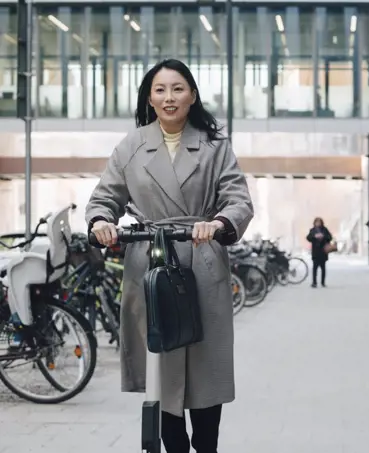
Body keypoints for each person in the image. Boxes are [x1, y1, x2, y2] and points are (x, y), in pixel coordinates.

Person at [85, 58, 254, 453]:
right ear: (149, 96)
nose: (169, 97)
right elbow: (104, 197)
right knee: (162, 371)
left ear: (192, 95)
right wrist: (100, 223)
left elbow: (237, 199)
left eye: (178, 88)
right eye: (160, 90)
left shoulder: (215, 146)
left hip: (202, 261)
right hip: (151, 265)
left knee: (205, 369)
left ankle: (206, 445)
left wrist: (218, 223)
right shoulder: (131, 146)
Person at [306, 217, 332, 287]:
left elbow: (330, 237)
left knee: (323, 268)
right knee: (315, 268)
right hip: (315, 252)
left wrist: (323, 236)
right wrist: (314, 236)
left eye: (319, 222)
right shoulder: (312, 230)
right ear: (314, 223)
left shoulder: (324, 229)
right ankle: (314, 282)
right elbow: (308, 238)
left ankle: (323, 282)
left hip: (323, 251)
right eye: (316, 222)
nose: (318, 223)